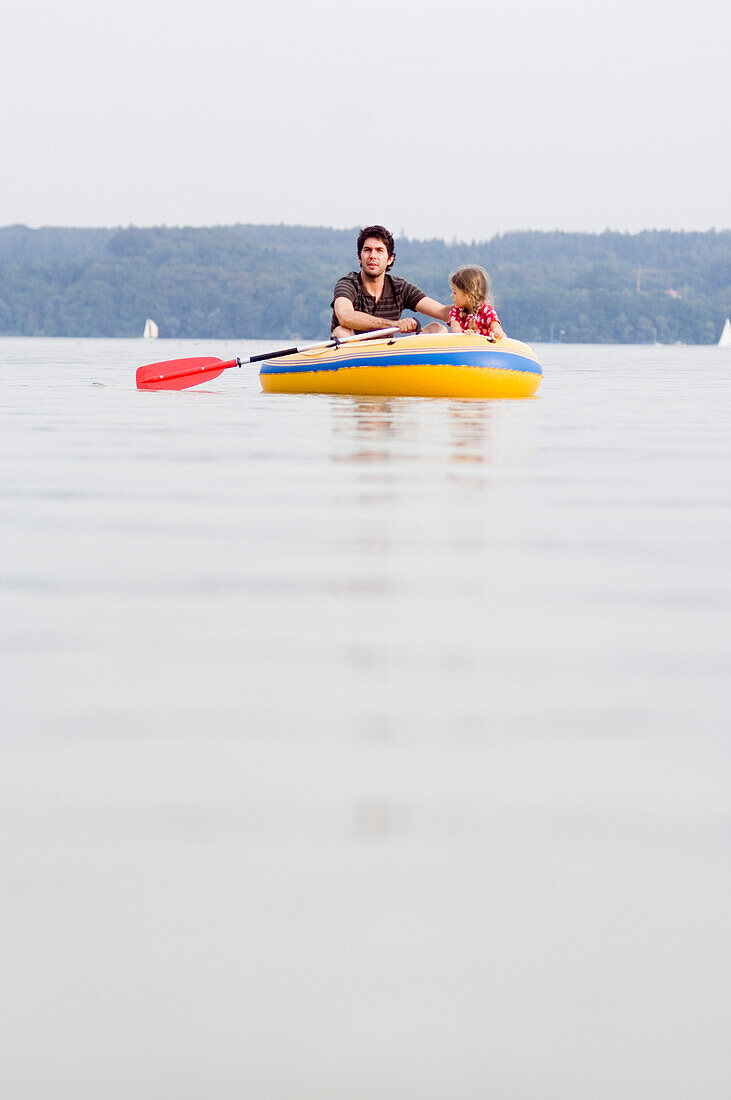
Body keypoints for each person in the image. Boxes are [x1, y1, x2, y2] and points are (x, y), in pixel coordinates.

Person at [331, 225, 450, 339]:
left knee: (438, 329)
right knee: (341, 332)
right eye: (367, 250)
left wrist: (466, 309)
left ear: (389, 259)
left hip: (387, 352)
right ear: (359, 257)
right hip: (353, 352)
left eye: (379, 250)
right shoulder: (347, 284)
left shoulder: (400, 288)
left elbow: (442, 312)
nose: (373, 256)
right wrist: (394, 325)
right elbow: (345, 317)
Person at [448, 265, 505, 341]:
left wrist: (497, 333)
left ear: (469, 295)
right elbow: (456, 331)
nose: (452, 295)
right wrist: (463, 334)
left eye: (455, 292)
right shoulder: (455, 312)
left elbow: (498, 329)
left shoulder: (487, 311)